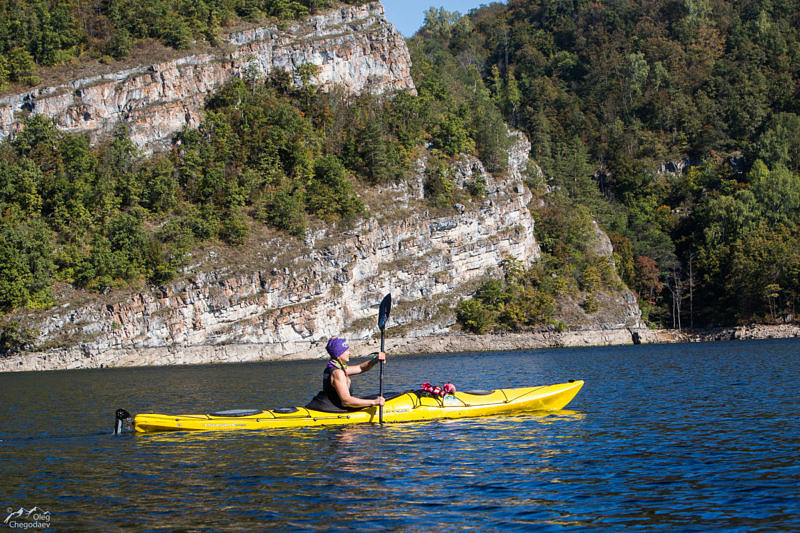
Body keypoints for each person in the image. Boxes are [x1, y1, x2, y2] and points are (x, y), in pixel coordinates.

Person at [305, 337, 386, 412]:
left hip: (324, 406)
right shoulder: (338, 373)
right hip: (327, 411)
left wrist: (376, 359)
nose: (349, 353)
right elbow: (347, 401)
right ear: (338, 354)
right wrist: (374, 402)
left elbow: (361, 368)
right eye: (346, 351)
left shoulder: (337, 367)